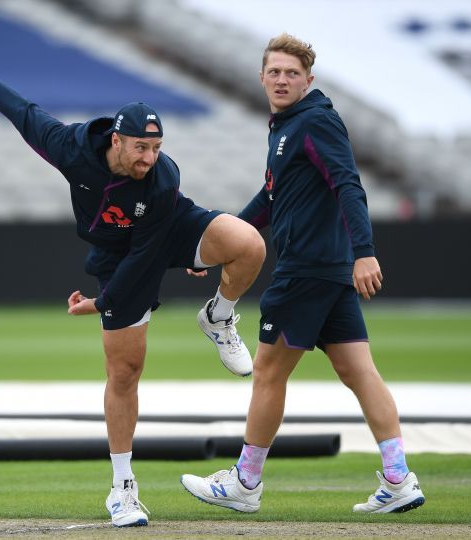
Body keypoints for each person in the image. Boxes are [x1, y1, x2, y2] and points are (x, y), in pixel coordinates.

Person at [0, 38, 266, 527]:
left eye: (155, 148)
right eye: (140, 147)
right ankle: (123, 490)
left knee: (249, 244)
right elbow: (24, 113)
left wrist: (100, 303)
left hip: (167, 225)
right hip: (116, 253)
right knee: (126, 371)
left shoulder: (162, 179)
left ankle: (217, 317)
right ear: (116, 140)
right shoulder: (73, 147)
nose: (148, 157)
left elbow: (149, 255)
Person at [180, 33, 425, 514]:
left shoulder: (314, 121)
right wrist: (211, 248)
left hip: (307, 269)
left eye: (292, 73)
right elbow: (270, 198)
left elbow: (348, 183)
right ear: (262, 77)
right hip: (326, 271)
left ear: (308, 80)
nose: (282, 79)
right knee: (359, 372)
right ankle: (399, 478)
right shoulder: (287, 126)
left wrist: (366, 252)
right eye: (274, 71)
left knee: (268, 372)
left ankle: (245, 483)